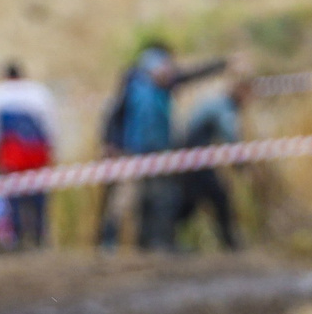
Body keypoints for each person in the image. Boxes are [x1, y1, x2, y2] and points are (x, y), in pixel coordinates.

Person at [95, 42, 228, 250]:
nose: (168, 71)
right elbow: (113, 116)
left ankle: (158, 243)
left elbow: (192, 75)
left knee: (163, 199)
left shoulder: (164, 87)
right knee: (123, 202)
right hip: (132, 153)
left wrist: (222, 64)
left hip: (162, 153)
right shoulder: (133, 86)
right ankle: (107, 245)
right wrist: (110, 143)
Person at [0, 62, 58, 249]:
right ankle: (39, 238)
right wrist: (52, 153)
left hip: (11, 155)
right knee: (38, 198)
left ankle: (18, 239)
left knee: (12, 199)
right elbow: (52, 129)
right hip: (37, 154)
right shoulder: (39, 94)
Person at [173, 77, 250, 250]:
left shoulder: (217, 101)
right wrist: (240, 162)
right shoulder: (225, 107)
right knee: (216, 197)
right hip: (196, 157)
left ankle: (166, 236)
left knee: (193, 200)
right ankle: (230, 243)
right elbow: (230, 135)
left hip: (194, 156)